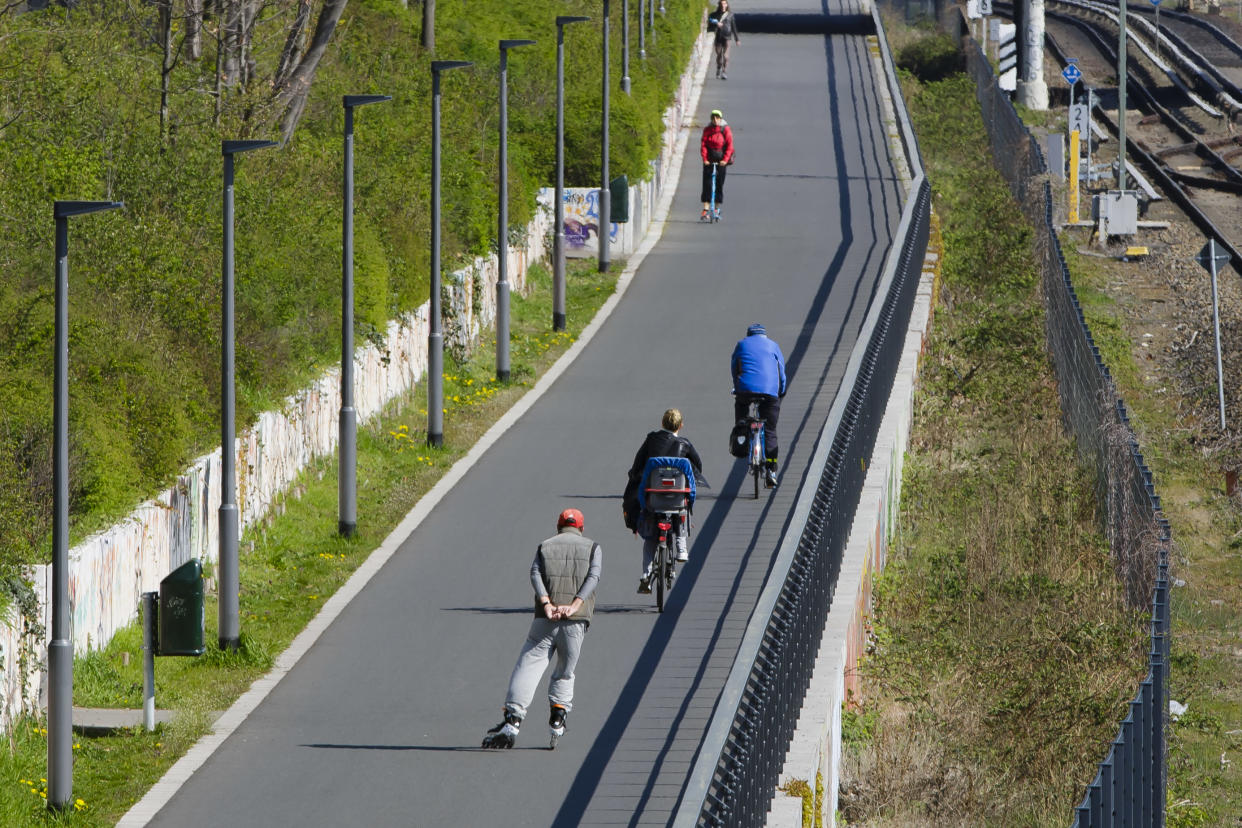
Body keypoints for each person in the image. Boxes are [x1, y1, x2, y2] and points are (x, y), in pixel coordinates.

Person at [482, 508, 602, 750]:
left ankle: (512, 720)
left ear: (558, 526)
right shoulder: (593, 548)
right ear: (581, 528)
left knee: (529, 665)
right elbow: (593, 576)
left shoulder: (545, 546)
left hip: (544, 619)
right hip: (575, 621)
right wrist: (573, 605)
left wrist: (547, 603)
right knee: (565, 670)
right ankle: (558, 716)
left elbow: (535, 573)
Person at [622, 409, 706, 593]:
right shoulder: (685, 444)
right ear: (680, 425)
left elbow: (637, 463)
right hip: (676, 502)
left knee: (650, 539)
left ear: (662, 423)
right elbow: (698, 466)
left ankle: (646, 575)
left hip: (653, 501)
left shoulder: (651, 439)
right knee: (682, 511)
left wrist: (635, 476)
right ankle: (681, 548)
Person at [731, 323, 787, 488]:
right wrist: (781, 391)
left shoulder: (741, 345)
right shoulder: (773, 345)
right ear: (764, 335)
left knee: (741, 407)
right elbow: (781, 373)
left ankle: (741, 429)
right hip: (770, 391)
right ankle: (771, 469)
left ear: (749, 335)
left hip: (745, 389)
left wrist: (738, 385)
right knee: (770, 430)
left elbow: (734, 367)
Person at [700, 109, 734, 221]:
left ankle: (716, 208)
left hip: (721, 161)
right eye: (713, 118)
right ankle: (705, 209)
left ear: (720, 118)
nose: (715, 120)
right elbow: (704, 144)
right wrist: (705, 159)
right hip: (709, 160)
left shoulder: (725, 129)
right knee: (707, 184)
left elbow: (729, 146)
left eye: (717, 117)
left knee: (719, 184)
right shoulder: (708, 130)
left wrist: (725, 160)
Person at [712, 0, 740, 80]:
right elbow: (710, 20)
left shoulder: (730, 15)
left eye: (724, 3)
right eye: (721, 4)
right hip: (718, 37)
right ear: (719, 5)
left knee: (726, 56)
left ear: (727, 5)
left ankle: (724, 72)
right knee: (719, 55)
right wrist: (716, 22)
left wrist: (737, 39)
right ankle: (719, 67)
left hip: (727, 37)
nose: (723, 5)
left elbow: (734, 27)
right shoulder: (715, 14)